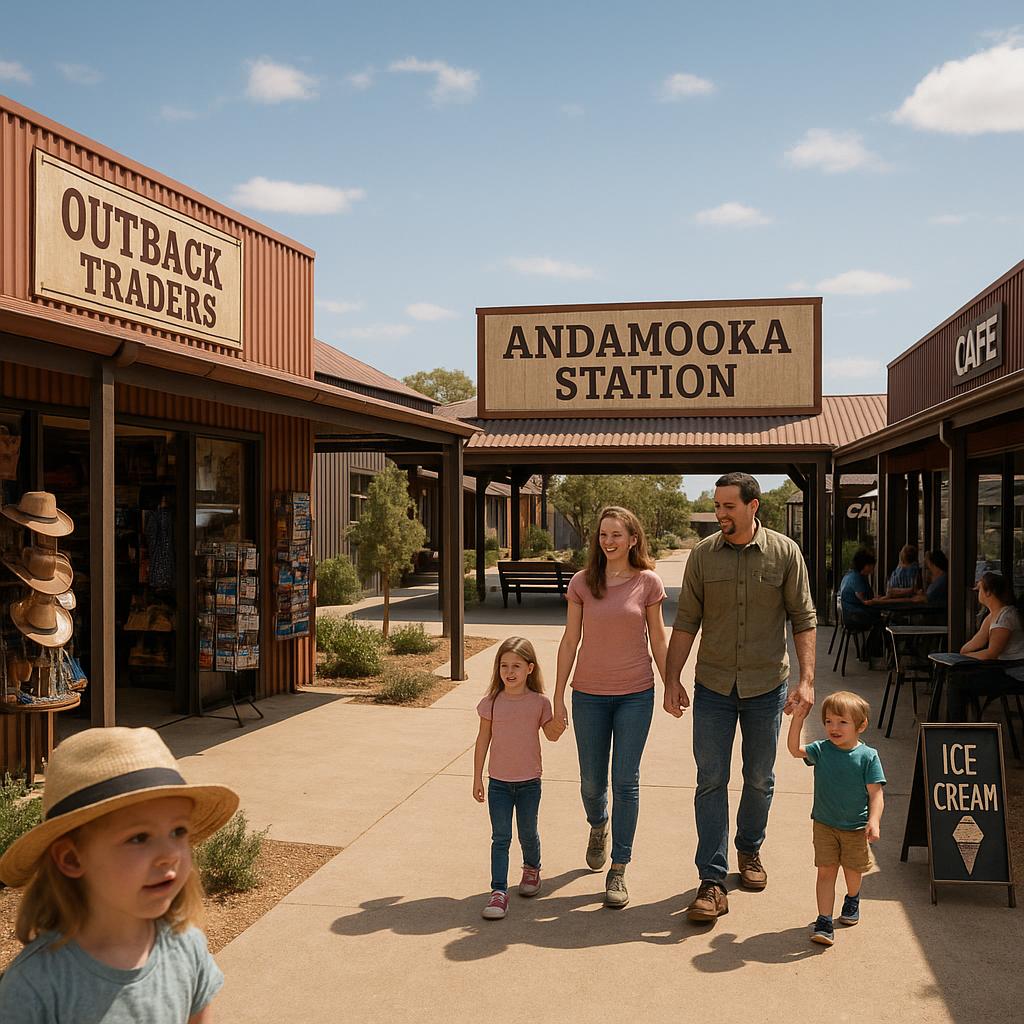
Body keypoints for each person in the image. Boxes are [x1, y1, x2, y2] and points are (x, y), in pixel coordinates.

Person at [0, 727, 239, 1023]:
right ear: (72, 858)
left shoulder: (185, 947)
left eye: (178, 831)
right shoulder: (35, 987)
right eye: (139, 837)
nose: (170, 854)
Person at [664, 472, 817, 923]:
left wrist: (806, 680)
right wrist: (672, 678)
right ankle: (711, 880)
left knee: (759, 778)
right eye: (717, 505)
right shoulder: (702, 556)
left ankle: (749, 850)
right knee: (710, 779)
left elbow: (803, 618)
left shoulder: (785, 553)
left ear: (753, 507)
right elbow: (687, 622)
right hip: (713, 685)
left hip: (765, 686)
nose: (720, 514)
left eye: (729, 506)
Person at [554, 506, 667, 909]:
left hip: (636, 693)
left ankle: (619, 867)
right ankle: (598, 825)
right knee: (590, 782)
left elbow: (657, 638)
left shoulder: (648, 583)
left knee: (626, 781)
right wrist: (556, 696)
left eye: (617, 535)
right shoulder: (584, 582)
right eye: (603, 535)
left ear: (633, 538)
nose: (609, 541)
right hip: (588, 694)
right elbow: (570, 641)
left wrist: (671, 684)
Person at [474, 636, 565, 920]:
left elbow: (551, 735)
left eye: (516, 665)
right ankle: (499, 891)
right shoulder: (491, 702)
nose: (509, 672)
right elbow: (482, 740)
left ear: (530, 668)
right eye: (503, 666)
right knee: (500, 837)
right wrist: (478, 777)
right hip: (498, 783)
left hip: (529, 783)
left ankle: (531, 869)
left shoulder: (539, 702)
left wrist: (560, 722)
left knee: (527, 832)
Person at [787, 691, 885, 947]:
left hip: (855, 828)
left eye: (842, 722)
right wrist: (797, 719)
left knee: (853, 871)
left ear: (860, 726)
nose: (834, 727)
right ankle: (824, 920)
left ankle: (852, 898)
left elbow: (876, 794)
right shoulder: (821, 750)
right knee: (825, 872)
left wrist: (873, 820)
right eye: (829, 721)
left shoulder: (868, 756)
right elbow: (795, 750)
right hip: (824, 824)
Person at [947, 571, 1024, 720]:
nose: (977, 592)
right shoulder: (993, 615)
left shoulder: (1006, 616)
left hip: (1014, 673)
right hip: (1003, 668)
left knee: (957, 682)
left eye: (980, 588)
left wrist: (962, 659)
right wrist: (961, 657)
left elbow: (991, 653)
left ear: (989, 592)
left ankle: (957, 732)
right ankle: (959, 726)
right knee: (956, 676)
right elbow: (975, 643)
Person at [838, 548, 882, 658]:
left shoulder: (849, 575)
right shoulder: (857, 578)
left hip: (849, 615)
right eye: (872, 565)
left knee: (880, 620)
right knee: (881, 623)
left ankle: (869, 651)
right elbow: (866, 601)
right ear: (866, 565)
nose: (873, 568)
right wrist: (883, 599)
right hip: (855, 616)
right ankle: (870, 652)